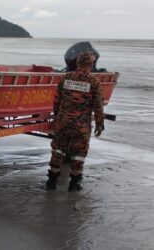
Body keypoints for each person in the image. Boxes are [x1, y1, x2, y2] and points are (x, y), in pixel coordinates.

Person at [46, 51, 104, 191]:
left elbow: (56, 100)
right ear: (91, 64)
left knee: (58, 150)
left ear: (77, 63)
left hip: (63, 122)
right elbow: (98, 106)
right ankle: (74, 183)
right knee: (79, 153)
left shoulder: (66, 78)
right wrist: (99, 123)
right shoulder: (93, 82)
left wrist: (58, 117)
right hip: (81, 125)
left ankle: (52, 181)